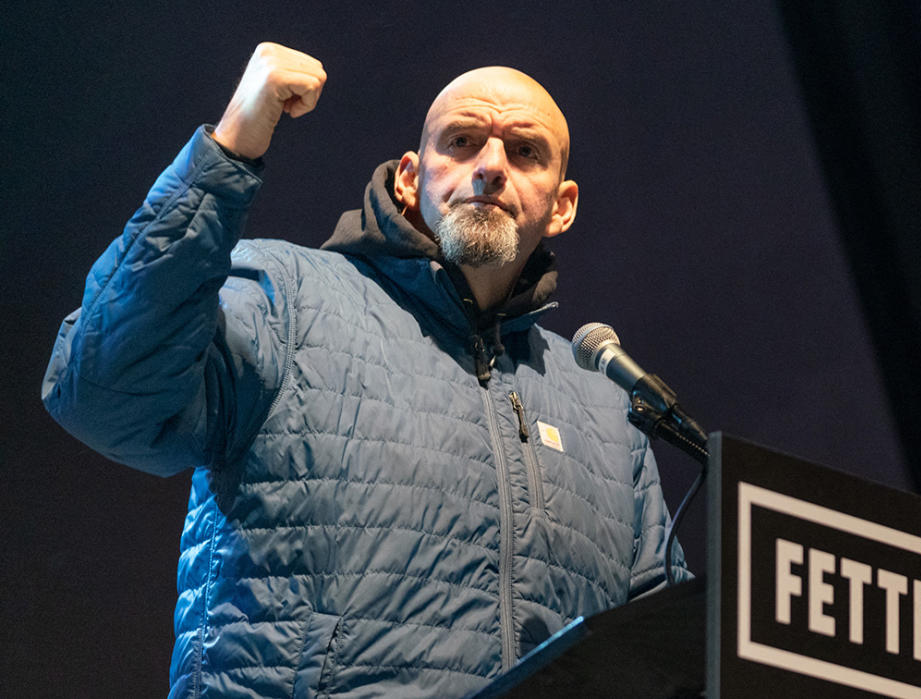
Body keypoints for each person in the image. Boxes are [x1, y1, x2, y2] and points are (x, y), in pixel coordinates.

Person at [42, 42, 688, 698]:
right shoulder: (285, 296)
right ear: (411, 177)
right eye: (462, 141)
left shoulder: (609, 411)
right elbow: (103, 392)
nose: (491, 167)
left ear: (562, 204)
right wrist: (228, 151)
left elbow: (672, 659)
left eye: (525, 152)